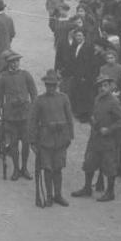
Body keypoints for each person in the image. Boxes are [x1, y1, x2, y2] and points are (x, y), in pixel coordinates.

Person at [71, 75, 121, 202]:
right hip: (95, 138)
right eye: (100, 86)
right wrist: (92, 121)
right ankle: (87, 188)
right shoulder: (97, 99)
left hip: (108, 140)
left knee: (109, 166)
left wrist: (109, 129)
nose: (102, 88)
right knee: (89, 163)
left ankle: (110, 192)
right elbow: (95, 114)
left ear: (110, 86)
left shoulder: (114, 102)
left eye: (105, 85)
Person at [29, 69, 74, 207]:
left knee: (58, 168)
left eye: (53, 85)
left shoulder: (64, 98)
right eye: (48, 85)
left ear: (57, 85)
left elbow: (69, 118)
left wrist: (69, 137)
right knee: (47, 169)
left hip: (61, 140)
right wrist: (32, 141)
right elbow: (33, 121)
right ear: (45, 85)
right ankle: (48, 196)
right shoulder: (39, 100)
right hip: (45, 140)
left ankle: (58, 195)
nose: (51, 88)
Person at [0, 51, 37, 180]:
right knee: (13, 144)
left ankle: (24, 168)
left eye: (17, 61)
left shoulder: (26, 75)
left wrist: (35, 112)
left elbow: (34, 93)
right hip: (11, 116)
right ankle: (16, 169)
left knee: (26, 143)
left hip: (25, 114)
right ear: (8, 63)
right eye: (12, 62)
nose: (15, 64)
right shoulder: (3, 77)